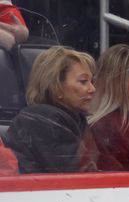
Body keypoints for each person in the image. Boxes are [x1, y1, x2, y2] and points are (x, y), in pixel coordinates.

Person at [5, 46, 98, 174]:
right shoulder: (43, 121)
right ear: (56, 87)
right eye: (83, 81)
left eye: (92, 81)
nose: (92, 89)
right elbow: (75, 175)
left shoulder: (75, 118)